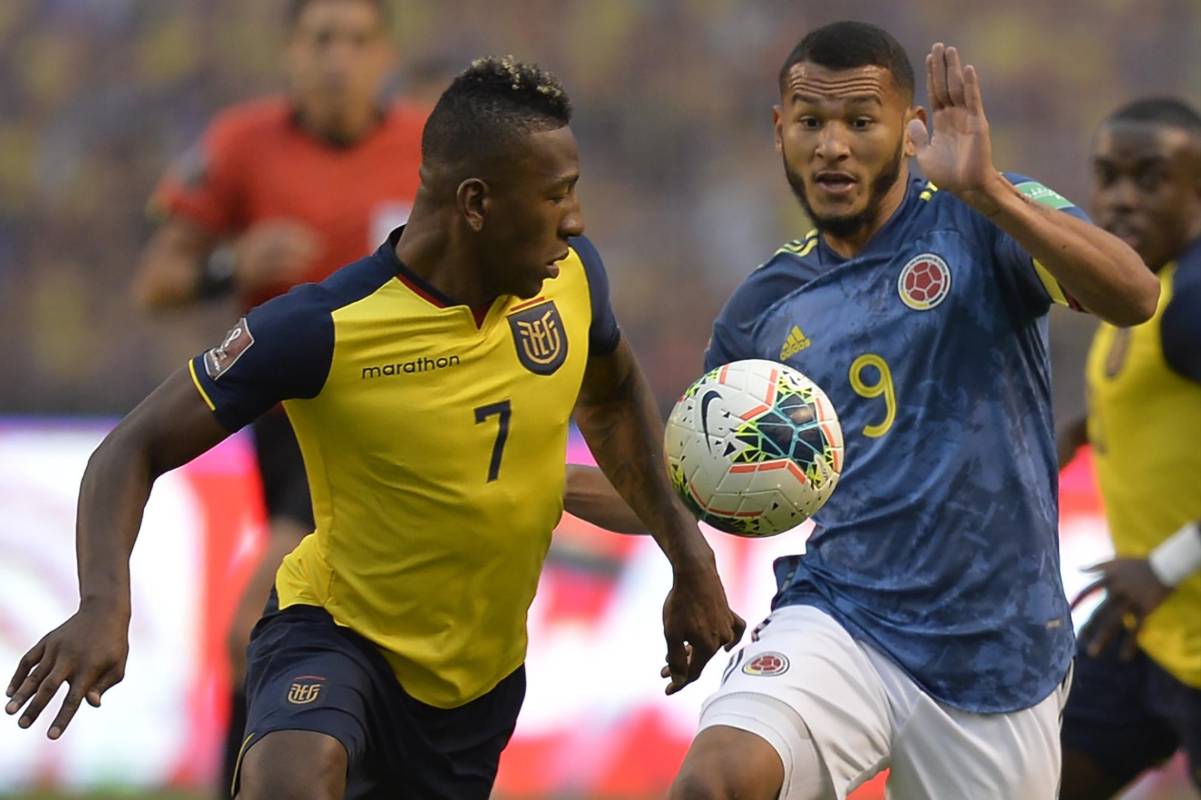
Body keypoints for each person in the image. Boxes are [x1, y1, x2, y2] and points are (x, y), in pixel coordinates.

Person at [5, 57, 743, 799]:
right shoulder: (321, 327)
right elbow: (129, 448)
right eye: (555, 196)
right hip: (334, 631)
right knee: (290, 777)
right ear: (477, 203)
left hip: (476, 689)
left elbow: (612, 403)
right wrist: (104, 604)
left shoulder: (572, 276)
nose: (575, 220)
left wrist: (691, 563)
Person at [658, 21, 1157, 799]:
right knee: (716, 782)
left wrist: (987, 191)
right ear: (778, 128)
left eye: (860, 121)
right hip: (840, 617)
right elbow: (695, 474)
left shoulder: (979, 213)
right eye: (811, 121)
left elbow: (1133, 293)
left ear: (909, 127)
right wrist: (562, 496)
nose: (832, 145)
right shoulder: (760, 308)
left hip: (996, 656)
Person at [132, 0, 426, 789]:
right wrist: (232, 263)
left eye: (357, 40)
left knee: (254, 630)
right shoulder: (240, 143)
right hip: (284, 425)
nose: (339, 57)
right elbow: (155, 282)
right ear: (291, 52)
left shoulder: (431, 146)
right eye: (321, 38)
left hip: (392, 419)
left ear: (384, 53)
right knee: (320, 637)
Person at [1056, 98, 1201, 798]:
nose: (1120, 199)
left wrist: (1165, 565)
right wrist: (1080, 429)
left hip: (1170, 599)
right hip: (1149, 629)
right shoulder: (1139, 287)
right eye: (1107, 176)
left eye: (1149, 179)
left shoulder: (1194, 299)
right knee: (1035, 779)